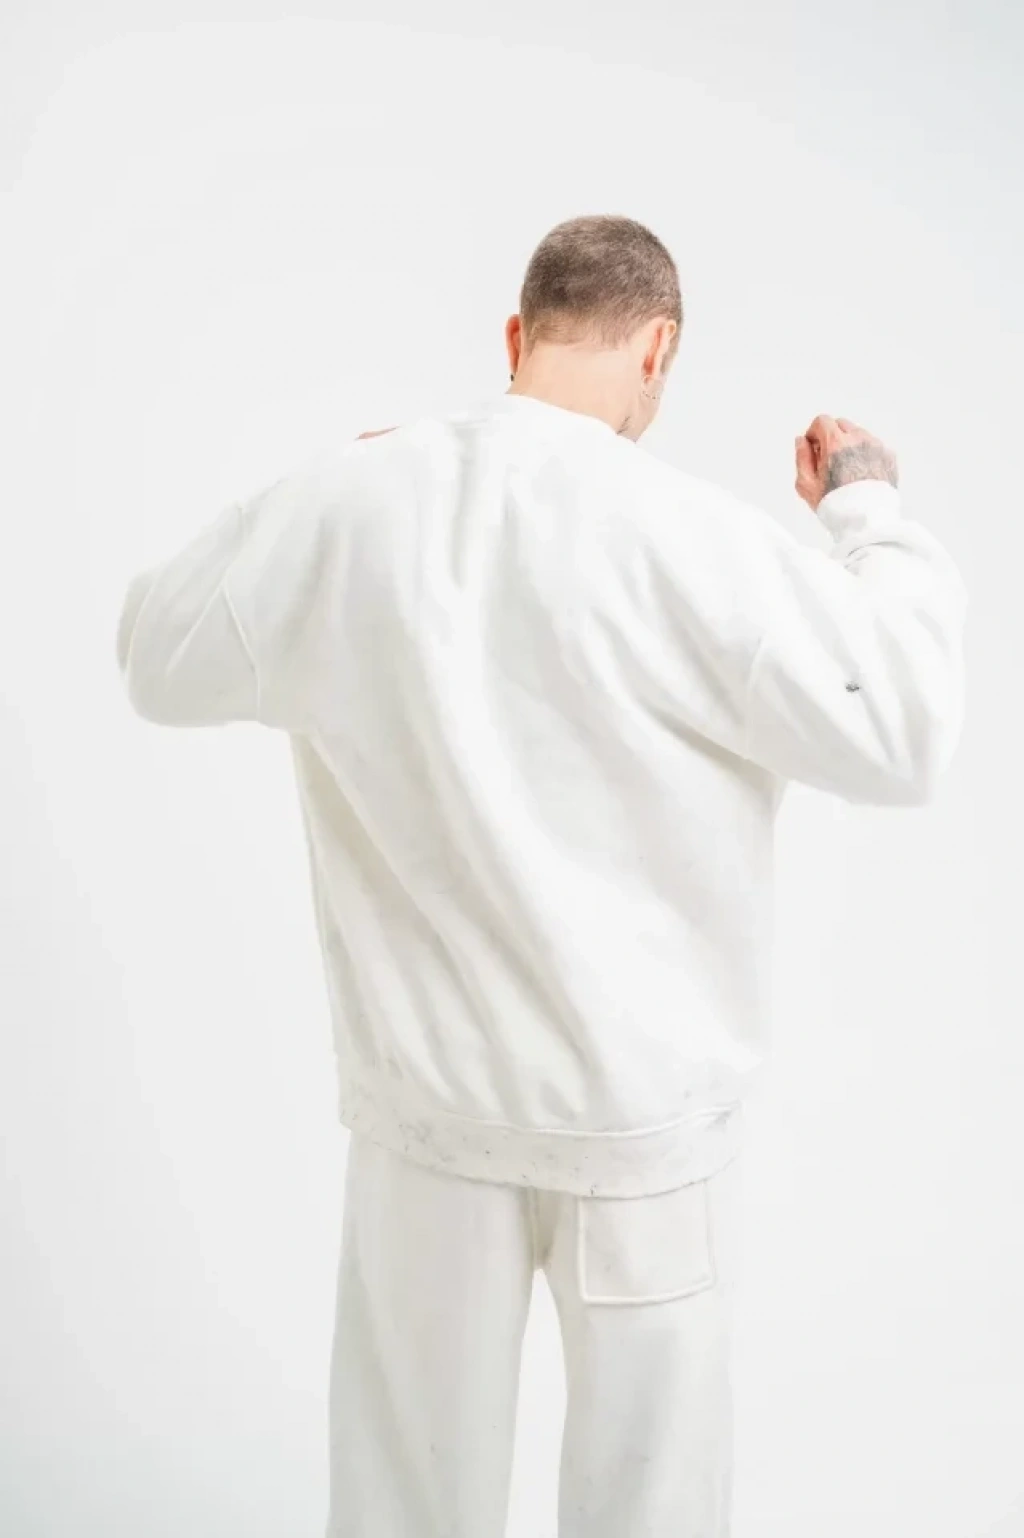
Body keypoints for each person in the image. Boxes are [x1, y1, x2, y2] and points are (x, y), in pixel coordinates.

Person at [116, 214, 967, 1537]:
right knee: (651, 1505)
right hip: (643, 1135)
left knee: (405, 1503)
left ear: (516, 335)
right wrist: (867, 513)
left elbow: (154, 653)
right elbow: (902, 725)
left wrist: (323, 496)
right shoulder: (692, 540)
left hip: (427, 1124)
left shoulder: (362, 502)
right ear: (657, 350)